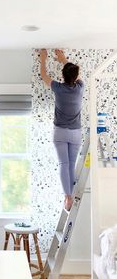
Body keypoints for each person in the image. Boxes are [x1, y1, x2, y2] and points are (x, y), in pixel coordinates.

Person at [39, 48, 84, 210]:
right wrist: (63, 59)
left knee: (63, 164)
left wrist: (43, 58)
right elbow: (75, 74)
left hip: (60, 132)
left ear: (63, 76)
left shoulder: (58, 88)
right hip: (75, 133)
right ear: (75, 77)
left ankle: (68, 197)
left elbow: (44, 76)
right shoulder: (80, 87)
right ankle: (70, 196)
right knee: (71, 165)